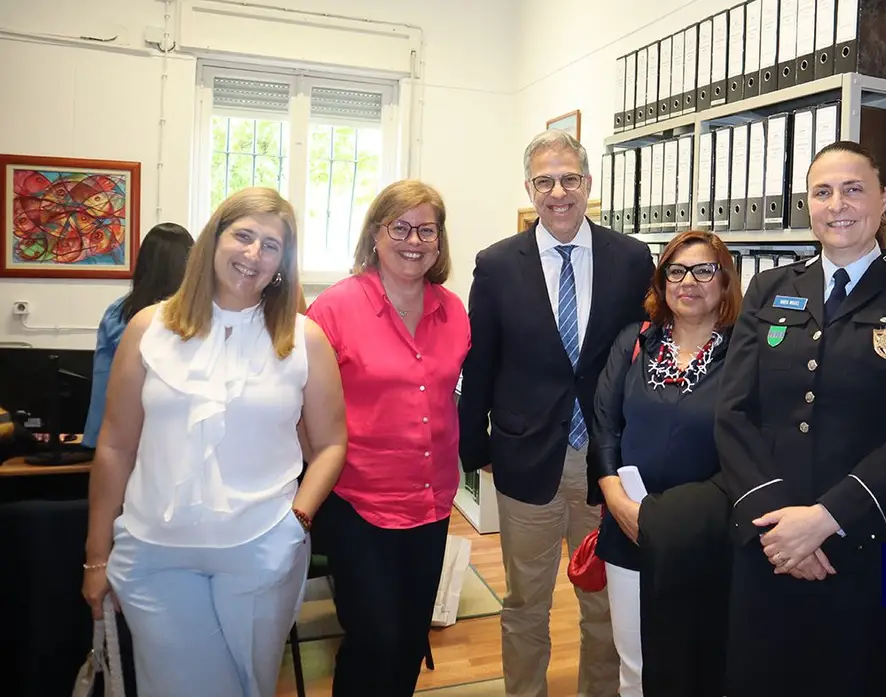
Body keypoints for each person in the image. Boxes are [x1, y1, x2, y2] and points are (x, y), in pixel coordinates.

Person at [715, 140, 886, 697]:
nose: (837, 205)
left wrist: (826, 518)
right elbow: (734, 414)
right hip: (770, 540)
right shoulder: (771, 287)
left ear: (883, 199)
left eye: (853, 189)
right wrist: (781, 526)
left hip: (871, 540)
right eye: (822, 192)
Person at [81, 187, 348, 697]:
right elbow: (114, 446)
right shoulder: (147, 328)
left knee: (252, 684)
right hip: (155, 554)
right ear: (213, 239)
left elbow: (332, 443)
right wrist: (97, 557)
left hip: (262, 549)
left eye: (271, 245)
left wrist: (297, 521)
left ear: (282, 263)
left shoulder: (304, 339)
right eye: (243, 235)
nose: (254, 254)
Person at [458, 129, 653, 697]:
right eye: (545, 182)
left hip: (606, 463)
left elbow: (644, 355)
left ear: (588, 183)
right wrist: (476, 449)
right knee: (525, 603)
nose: (558, 192)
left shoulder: (630, 258)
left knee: (604, 604)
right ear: (529, 188)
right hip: (526, 460)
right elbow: (480, 362)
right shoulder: (497, 264)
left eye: (569, 179)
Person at [305, 179, 470, 695]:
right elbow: (302, 411)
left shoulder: (453, 311)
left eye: (427, 230)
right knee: (373, 638)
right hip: (358, 503)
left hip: (432, 501)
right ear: (375, 234)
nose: (413, 241)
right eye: (400, 227)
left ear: (439, 241)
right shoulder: (333, 309)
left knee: (409, 638)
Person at [589, 229, 740, 696]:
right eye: (676, 271)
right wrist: (617, 502)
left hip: (704, 534)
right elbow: (604, 425)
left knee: (696, 664)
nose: (688, 282)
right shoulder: (634, 342)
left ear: (725, 281)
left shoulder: (746, 354)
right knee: (635, 665)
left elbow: (750, 447)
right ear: (662, 282)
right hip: (628, 526)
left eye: (703, 270)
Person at [82, 223, 194, 449]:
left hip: (126, 438)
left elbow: (103, 385)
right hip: (181, 439)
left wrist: (94, 441)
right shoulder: (199, 316)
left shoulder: (118, 313)